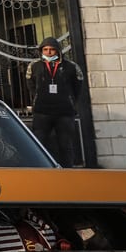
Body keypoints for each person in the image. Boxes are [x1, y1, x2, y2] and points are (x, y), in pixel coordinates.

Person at [25, 37, 84, 166]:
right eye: (45, 49)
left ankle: (67, 170)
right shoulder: (34, 66)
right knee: (39, 144)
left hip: (64, 112)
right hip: (42, 112)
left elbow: (78, 86)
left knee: (66, 145)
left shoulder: (71, 66)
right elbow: (30, 84)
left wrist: (69, 99)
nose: (48, 52)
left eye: (52, 49)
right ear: (41, 51)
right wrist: (39, 96)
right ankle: (41, 170)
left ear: (58, 50)